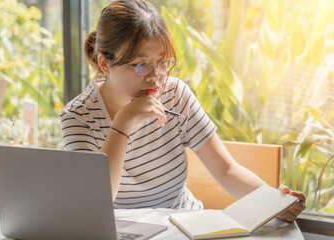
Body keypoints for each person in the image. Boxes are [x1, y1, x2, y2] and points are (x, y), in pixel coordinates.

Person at [60, 0, 305, 222]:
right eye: (140, 65)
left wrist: (273, 202)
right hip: (123, 232)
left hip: (182, 225)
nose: (155, 77)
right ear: (105, 63)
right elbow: (96, 202)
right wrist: (123, 123)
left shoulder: (175, 95)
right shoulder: (78, 117)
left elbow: (226, 170)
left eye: (163, 62)